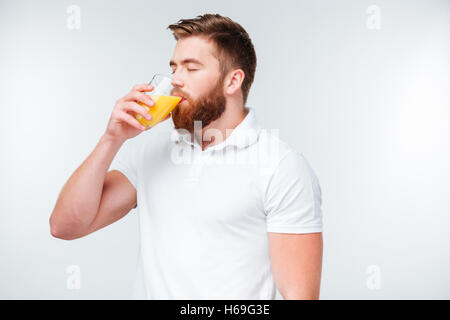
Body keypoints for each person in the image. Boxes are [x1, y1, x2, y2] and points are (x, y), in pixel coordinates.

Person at [49, 13, 323, 300]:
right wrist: (111, 139)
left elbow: (299, 295)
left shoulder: (281, 167)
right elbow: (65, 226)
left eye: (191, 69)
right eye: (174, 68)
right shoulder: (151, 151)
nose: (175, 80)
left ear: (233, 81)